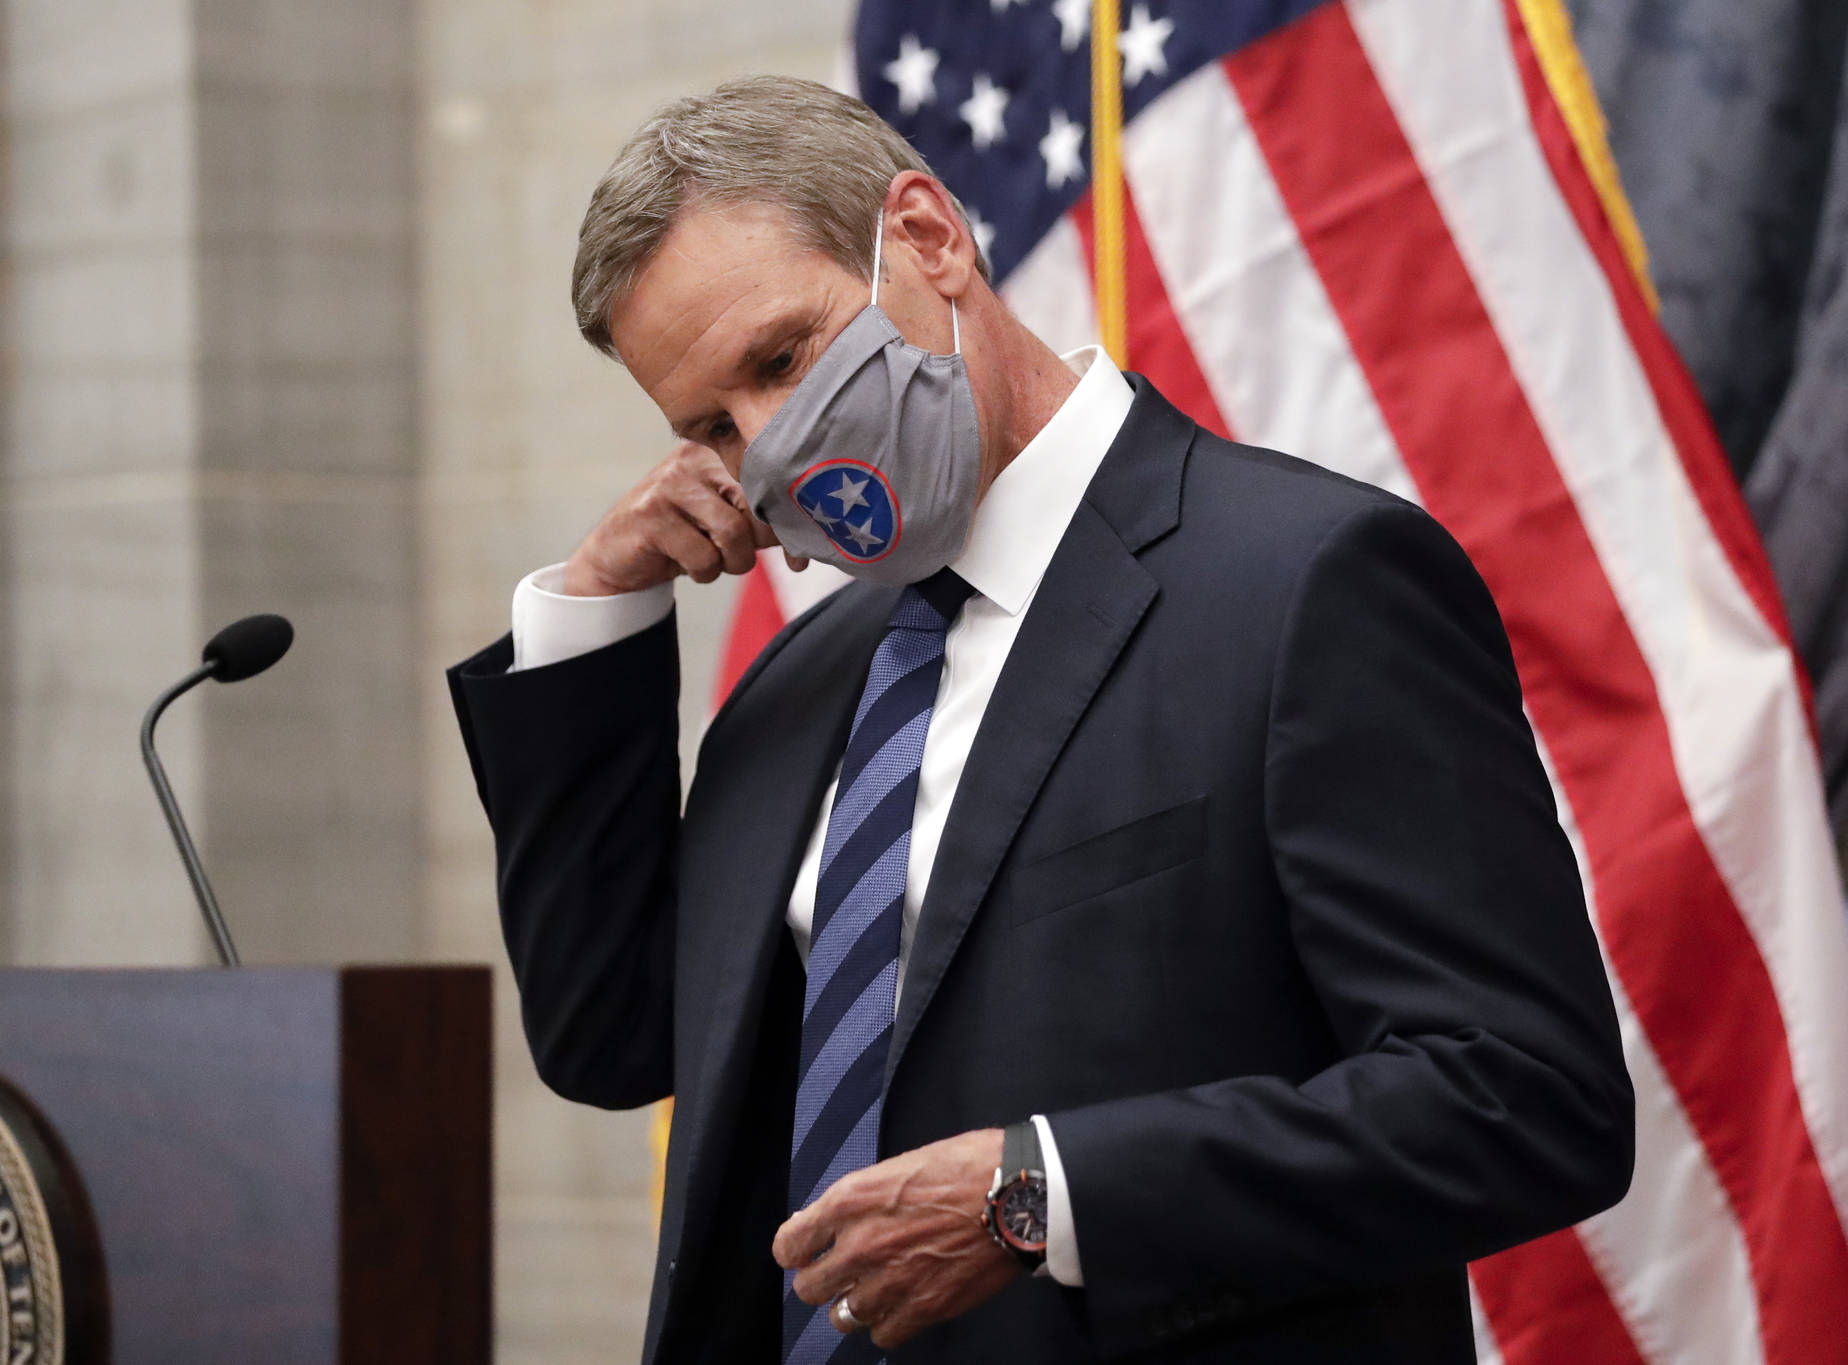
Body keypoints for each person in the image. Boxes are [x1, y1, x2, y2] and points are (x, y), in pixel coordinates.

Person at [448, 75, 1633, 1365]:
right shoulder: (797, 686)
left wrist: (1042, 1199)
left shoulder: (1308, 586)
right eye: (709, 428)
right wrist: (594, 616)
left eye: (782, 360)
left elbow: (1525, 1096)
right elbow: (616, 1038)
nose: (768, 446)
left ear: (928, 238)